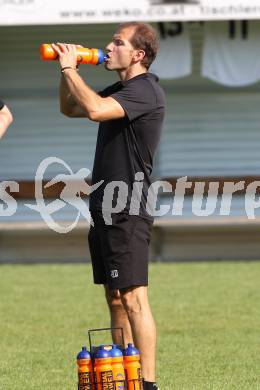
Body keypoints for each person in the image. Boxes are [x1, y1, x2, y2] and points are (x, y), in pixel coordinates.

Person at [52, 21, 165, 390]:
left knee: (133, 297)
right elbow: (71, 108)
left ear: (138, 54)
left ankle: (146, 383)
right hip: (105, 205)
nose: (108, 46)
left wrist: (71, 68)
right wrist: (67, 70)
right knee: (115, 296)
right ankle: (124, 374)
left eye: (117, 42)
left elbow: (97, 110)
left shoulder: (145, 90)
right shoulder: (122, 88)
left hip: (128, 207)